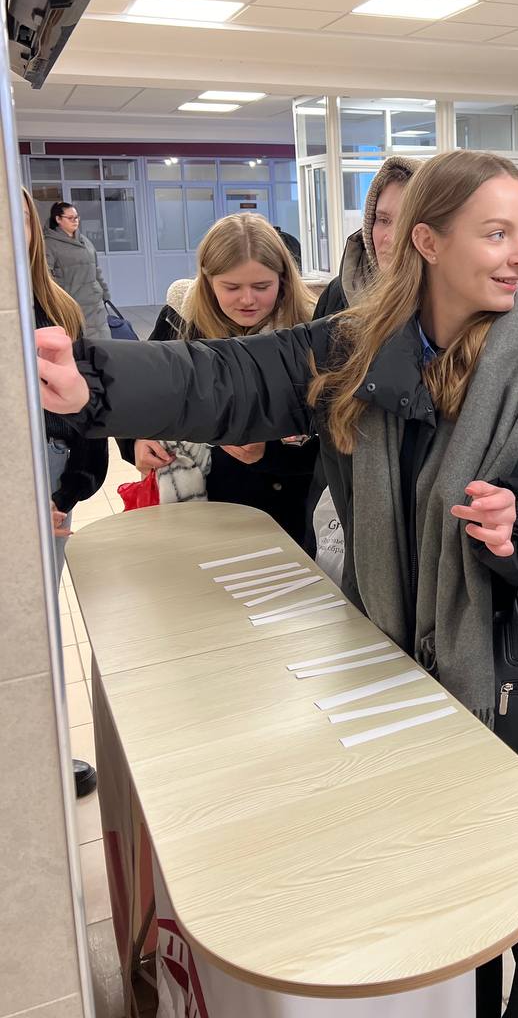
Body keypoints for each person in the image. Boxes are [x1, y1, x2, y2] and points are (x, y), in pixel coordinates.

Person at [37, 149, 518, 1018]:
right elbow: (225, 379)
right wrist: (92, 382)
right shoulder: (352, 351)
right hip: (391, 667)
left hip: (507, 683)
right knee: (434, 886)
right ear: (427, 241)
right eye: (494, 233)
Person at [119, 213, 319, 549]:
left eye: (262, 286)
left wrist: (269, 454)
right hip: (200, 512)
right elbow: (136, 396)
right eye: (231, 287)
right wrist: (136, 441)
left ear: (284, 279)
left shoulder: (311, 332)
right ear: (208, 281)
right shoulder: (180, 321)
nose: (247, 299)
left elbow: (338, 440)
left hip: (289, 515)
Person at [22, 188, 107, 799]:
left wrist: (72, 489)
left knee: (36, 625)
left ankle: (41, 748)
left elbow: (84, 407)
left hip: (47, 474)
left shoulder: (53, 305)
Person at [312, 155, 418, 318]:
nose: (391, 238)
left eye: (407, 223)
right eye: (383, 220)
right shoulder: (336, 296)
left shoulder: (449, 306)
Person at [44, 200, 111, 341]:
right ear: (58, 219)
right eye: (70, 218)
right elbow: (46, 277)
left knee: (104, 343)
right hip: (73, 305)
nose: (75, 221)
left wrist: (104, 292)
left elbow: (96, 269)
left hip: (96, 304)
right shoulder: (49, 244)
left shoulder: (85, 241)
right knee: (82, 344)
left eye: (77, 217)